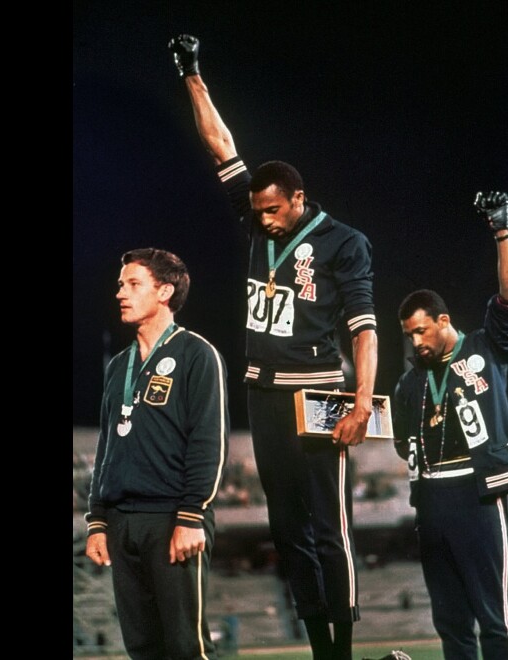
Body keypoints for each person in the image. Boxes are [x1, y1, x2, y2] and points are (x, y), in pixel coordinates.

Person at [167, 34, 378, 660]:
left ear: (299, 199)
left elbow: (364, 328)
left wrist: (362, 401)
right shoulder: (257, 216)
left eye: (273, 211)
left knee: (329, 527)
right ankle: (318, 647)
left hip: (320, 394)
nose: (262, 220)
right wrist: (192, 75)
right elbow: (222, 147)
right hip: (263, 392)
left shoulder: (345, 243)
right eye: (257, 212)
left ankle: (342, 646)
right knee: (287, 530)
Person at [392, 192, 508, 660]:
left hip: (477, 493)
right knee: (450, 623)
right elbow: (398, 443)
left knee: (492, 619)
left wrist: (501, 232)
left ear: (443, 321)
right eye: (409, 334)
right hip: (429, 501)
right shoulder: (409, 384)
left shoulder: (484, 349)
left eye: (421, 330)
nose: (415, 341)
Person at [84, 247, 229, 660]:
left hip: (172, 519)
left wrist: (191, 515)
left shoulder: (197, 355)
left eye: (133, 284)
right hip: (120, 521)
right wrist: (97, 521)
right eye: (120, 285)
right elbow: (106, 447)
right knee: (143, 648)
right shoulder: (118, 367)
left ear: (164, 291)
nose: (120, 294)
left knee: (187, 647)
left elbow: (208, 443)